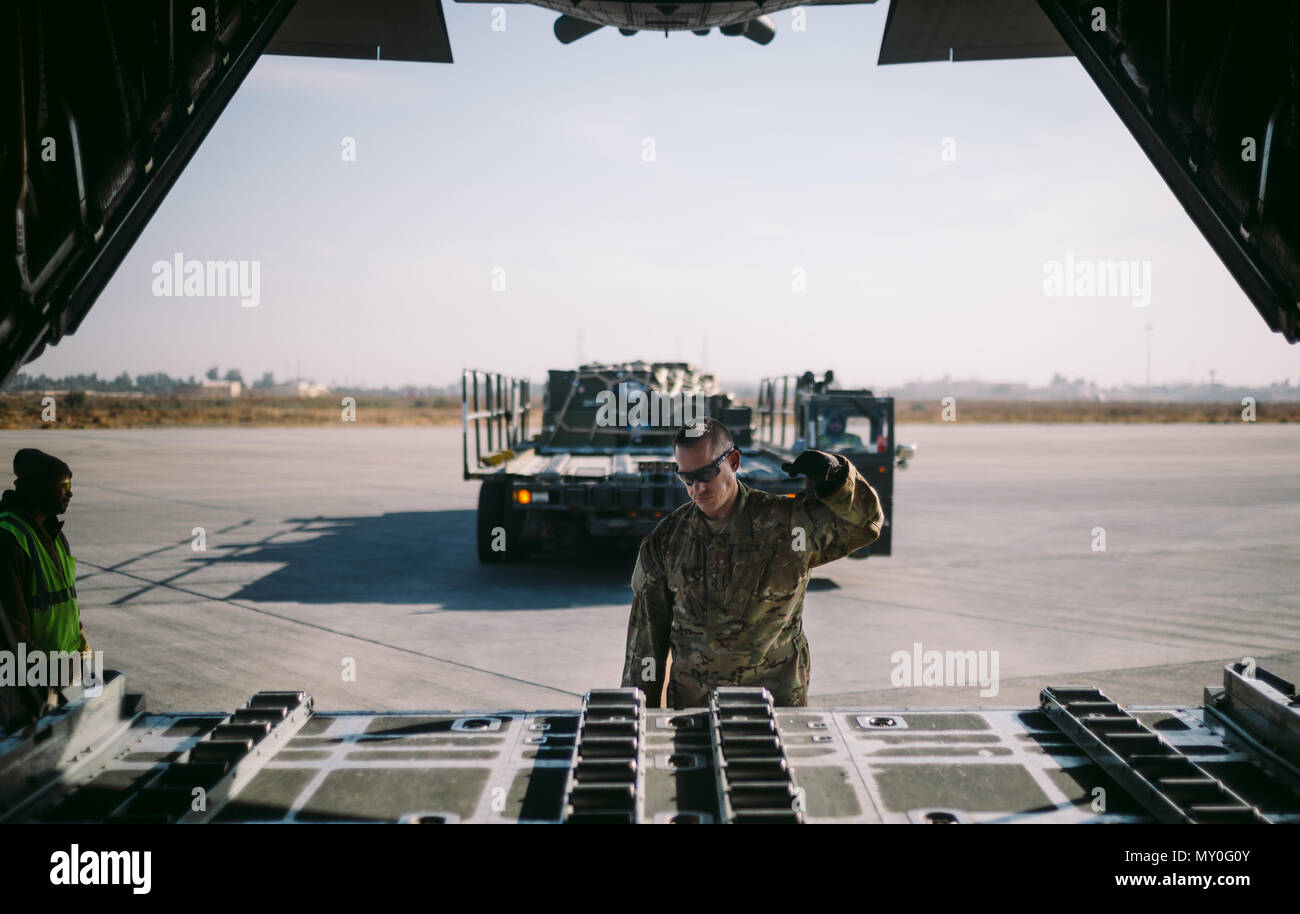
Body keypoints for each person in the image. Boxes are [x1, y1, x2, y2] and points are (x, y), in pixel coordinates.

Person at [620, 417, 883, 707]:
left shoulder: (788, 525)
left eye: (707, 473)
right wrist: (639, 717)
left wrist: (838, 479)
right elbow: (645, 645)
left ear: (733, 461)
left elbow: (865, 524)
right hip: (694, 711)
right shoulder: (666, 542)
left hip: (776, 705)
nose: (697, 488)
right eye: (686, 478)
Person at [0, 449, 89, 732]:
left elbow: (65, 602)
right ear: (39, 489)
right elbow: (12, 627)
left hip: (64, 673)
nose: (69, 493)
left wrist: (82, 647)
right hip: (30, 682)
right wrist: (38, 684)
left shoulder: (54, 534)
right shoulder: (8, 539)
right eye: (62, 485)